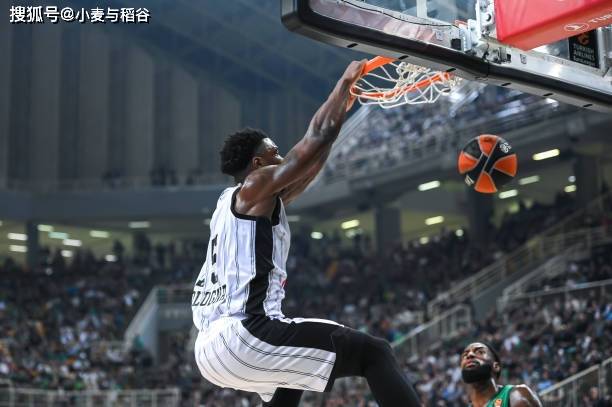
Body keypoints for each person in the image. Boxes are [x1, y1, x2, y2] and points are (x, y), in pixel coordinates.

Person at [191, 60, 421, 407]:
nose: (282, 156)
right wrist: (343, 85)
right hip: (247, 333)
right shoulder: (255, 185)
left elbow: (309, 165)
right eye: (274, 153)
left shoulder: (234, 203)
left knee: (291, 378)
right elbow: (315, 139)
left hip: (212, 350)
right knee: (375, 353)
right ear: (257, 164)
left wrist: (339, 114)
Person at [461, 342, 543, 407]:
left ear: (496, 366)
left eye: (480, 352)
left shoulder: (517, 396)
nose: (470, 355)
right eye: (465, 355)